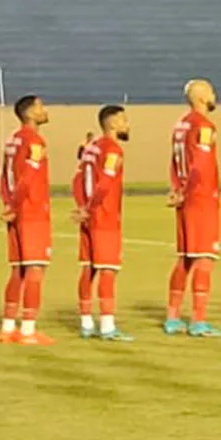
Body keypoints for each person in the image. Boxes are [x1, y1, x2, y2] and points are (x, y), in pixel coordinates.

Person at [168, 79, 221, 337]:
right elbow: (200, 166)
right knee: (204, 258)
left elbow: (175, 162)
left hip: (185, 199)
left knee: (185, 258)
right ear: (202, 97)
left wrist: (176, 189)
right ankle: (198, 321)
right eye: (212, 91)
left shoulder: (181, 125)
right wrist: (186, 190)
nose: (215, 95)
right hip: (200, 198)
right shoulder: (203, 125)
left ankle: (172, 317)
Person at [0, 94, 54, 345]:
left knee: (18, 270)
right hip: (31, 212)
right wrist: (17, 206)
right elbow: (28, 179)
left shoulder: (12, 140)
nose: (44, 110)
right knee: (35, 269)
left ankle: (8, 326)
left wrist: (8, 203)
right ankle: (28, 329)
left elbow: (3, 175)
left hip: (17, 211)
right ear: (30, 113)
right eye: (40, 106)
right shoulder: (34, 140)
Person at [73, 105, 131, 341]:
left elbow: (77, 179)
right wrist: (90, 209)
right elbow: (105, 184)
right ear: (113, 123)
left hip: (88, 216)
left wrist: (81, 206)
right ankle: (107, 326)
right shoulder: (112, 149)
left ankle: (86, 322)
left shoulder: (90, 148)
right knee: (107, 270)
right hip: (103, 216)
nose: (128, 124)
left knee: (88, 267)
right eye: (124, 120)